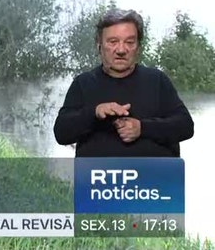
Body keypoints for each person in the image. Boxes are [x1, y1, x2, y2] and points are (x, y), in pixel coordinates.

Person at [53, 8, 195, 157]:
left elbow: (186, 126)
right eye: (113, 42)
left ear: (138, 47)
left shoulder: (157, 80)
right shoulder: (83, 83)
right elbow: (61, 134)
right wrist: (94, 113)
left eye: (129, 42)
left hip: (155, 172)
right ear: (99, 45)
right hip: (97, 172)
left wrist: (142, 128)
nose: (121, 50)